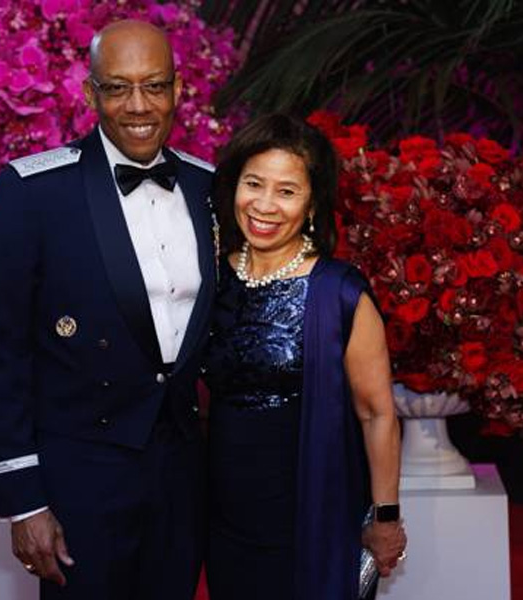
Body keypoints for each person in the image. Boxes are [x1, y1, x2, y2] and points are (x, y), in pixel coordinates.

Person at [0, 19, 216, 600]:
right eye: (117, 87)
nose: (138, 106)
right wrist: (23, 501)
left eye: (154, 86)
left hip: (181, 474)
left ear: (179, 89)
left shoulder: (208, 186)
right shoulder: (32, 192)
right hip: (80, 475)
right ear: (89, 93)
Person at [202, 113, 407, 600]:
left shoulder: (339, 292)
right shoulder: (210, 276)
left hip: (312, 512)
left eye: (287, 191)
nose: (264, 205)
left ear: (312, 204)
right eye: (254, 184)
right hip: (225, 513)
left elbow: (377, 413)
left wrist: (385, 516)